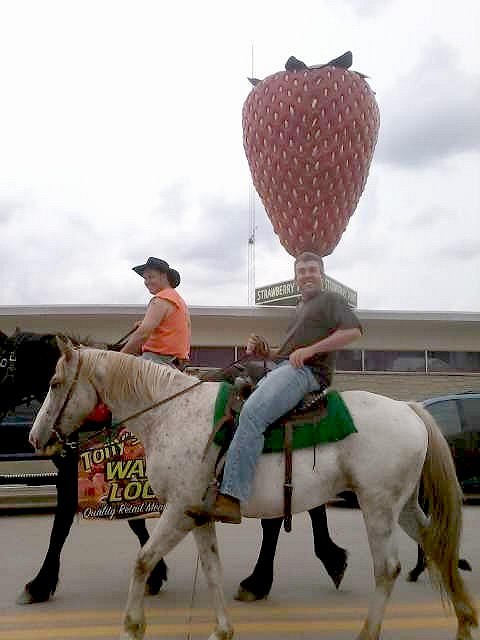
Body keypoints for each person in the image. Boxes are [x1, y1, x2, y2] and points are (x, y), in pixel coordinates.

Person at [187, 251, 362, 524]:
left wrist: (310, 351)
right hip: (286, 367)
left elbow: (353, 332)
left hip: (308, 372)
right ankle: (207, 479)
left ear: (322, 274)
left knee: (254, 414)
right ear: (295, 277)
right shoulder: (299, 308)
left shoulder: (330, 300)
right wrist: (263, 353)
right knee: (227, 379)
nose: (307, 275)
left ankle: (231, 497)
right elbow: (286, 354)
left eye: (312, 270)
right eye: (301, 271)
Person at [120, 257, 190, 368]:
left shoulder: (161, 299)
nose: (147, 282)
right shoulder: (178, 300)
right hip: (174, 364)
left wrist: (119, 358)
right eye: (145, 278)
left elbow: (142, 334)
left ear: (164, 276)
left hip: (157, 361)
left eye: (151, 277)